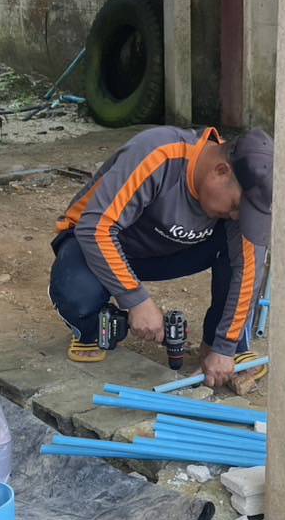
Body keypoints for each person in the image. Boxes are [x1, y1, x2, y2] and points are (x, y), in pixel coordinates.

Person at [50, 126, 272, 389]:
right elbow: (95, 228)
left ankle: (218, 345)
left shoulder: (239, 197)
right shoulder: (160, 154)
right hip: (98, 245)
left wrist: (225, 346)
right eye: (235, 206)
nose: (235, 215)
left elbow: (248, 270)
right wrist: (136, 300)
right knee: (78, 293)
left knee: (242, 253)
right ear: (221, 171)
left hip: (171, 252)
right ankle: (92, 327)